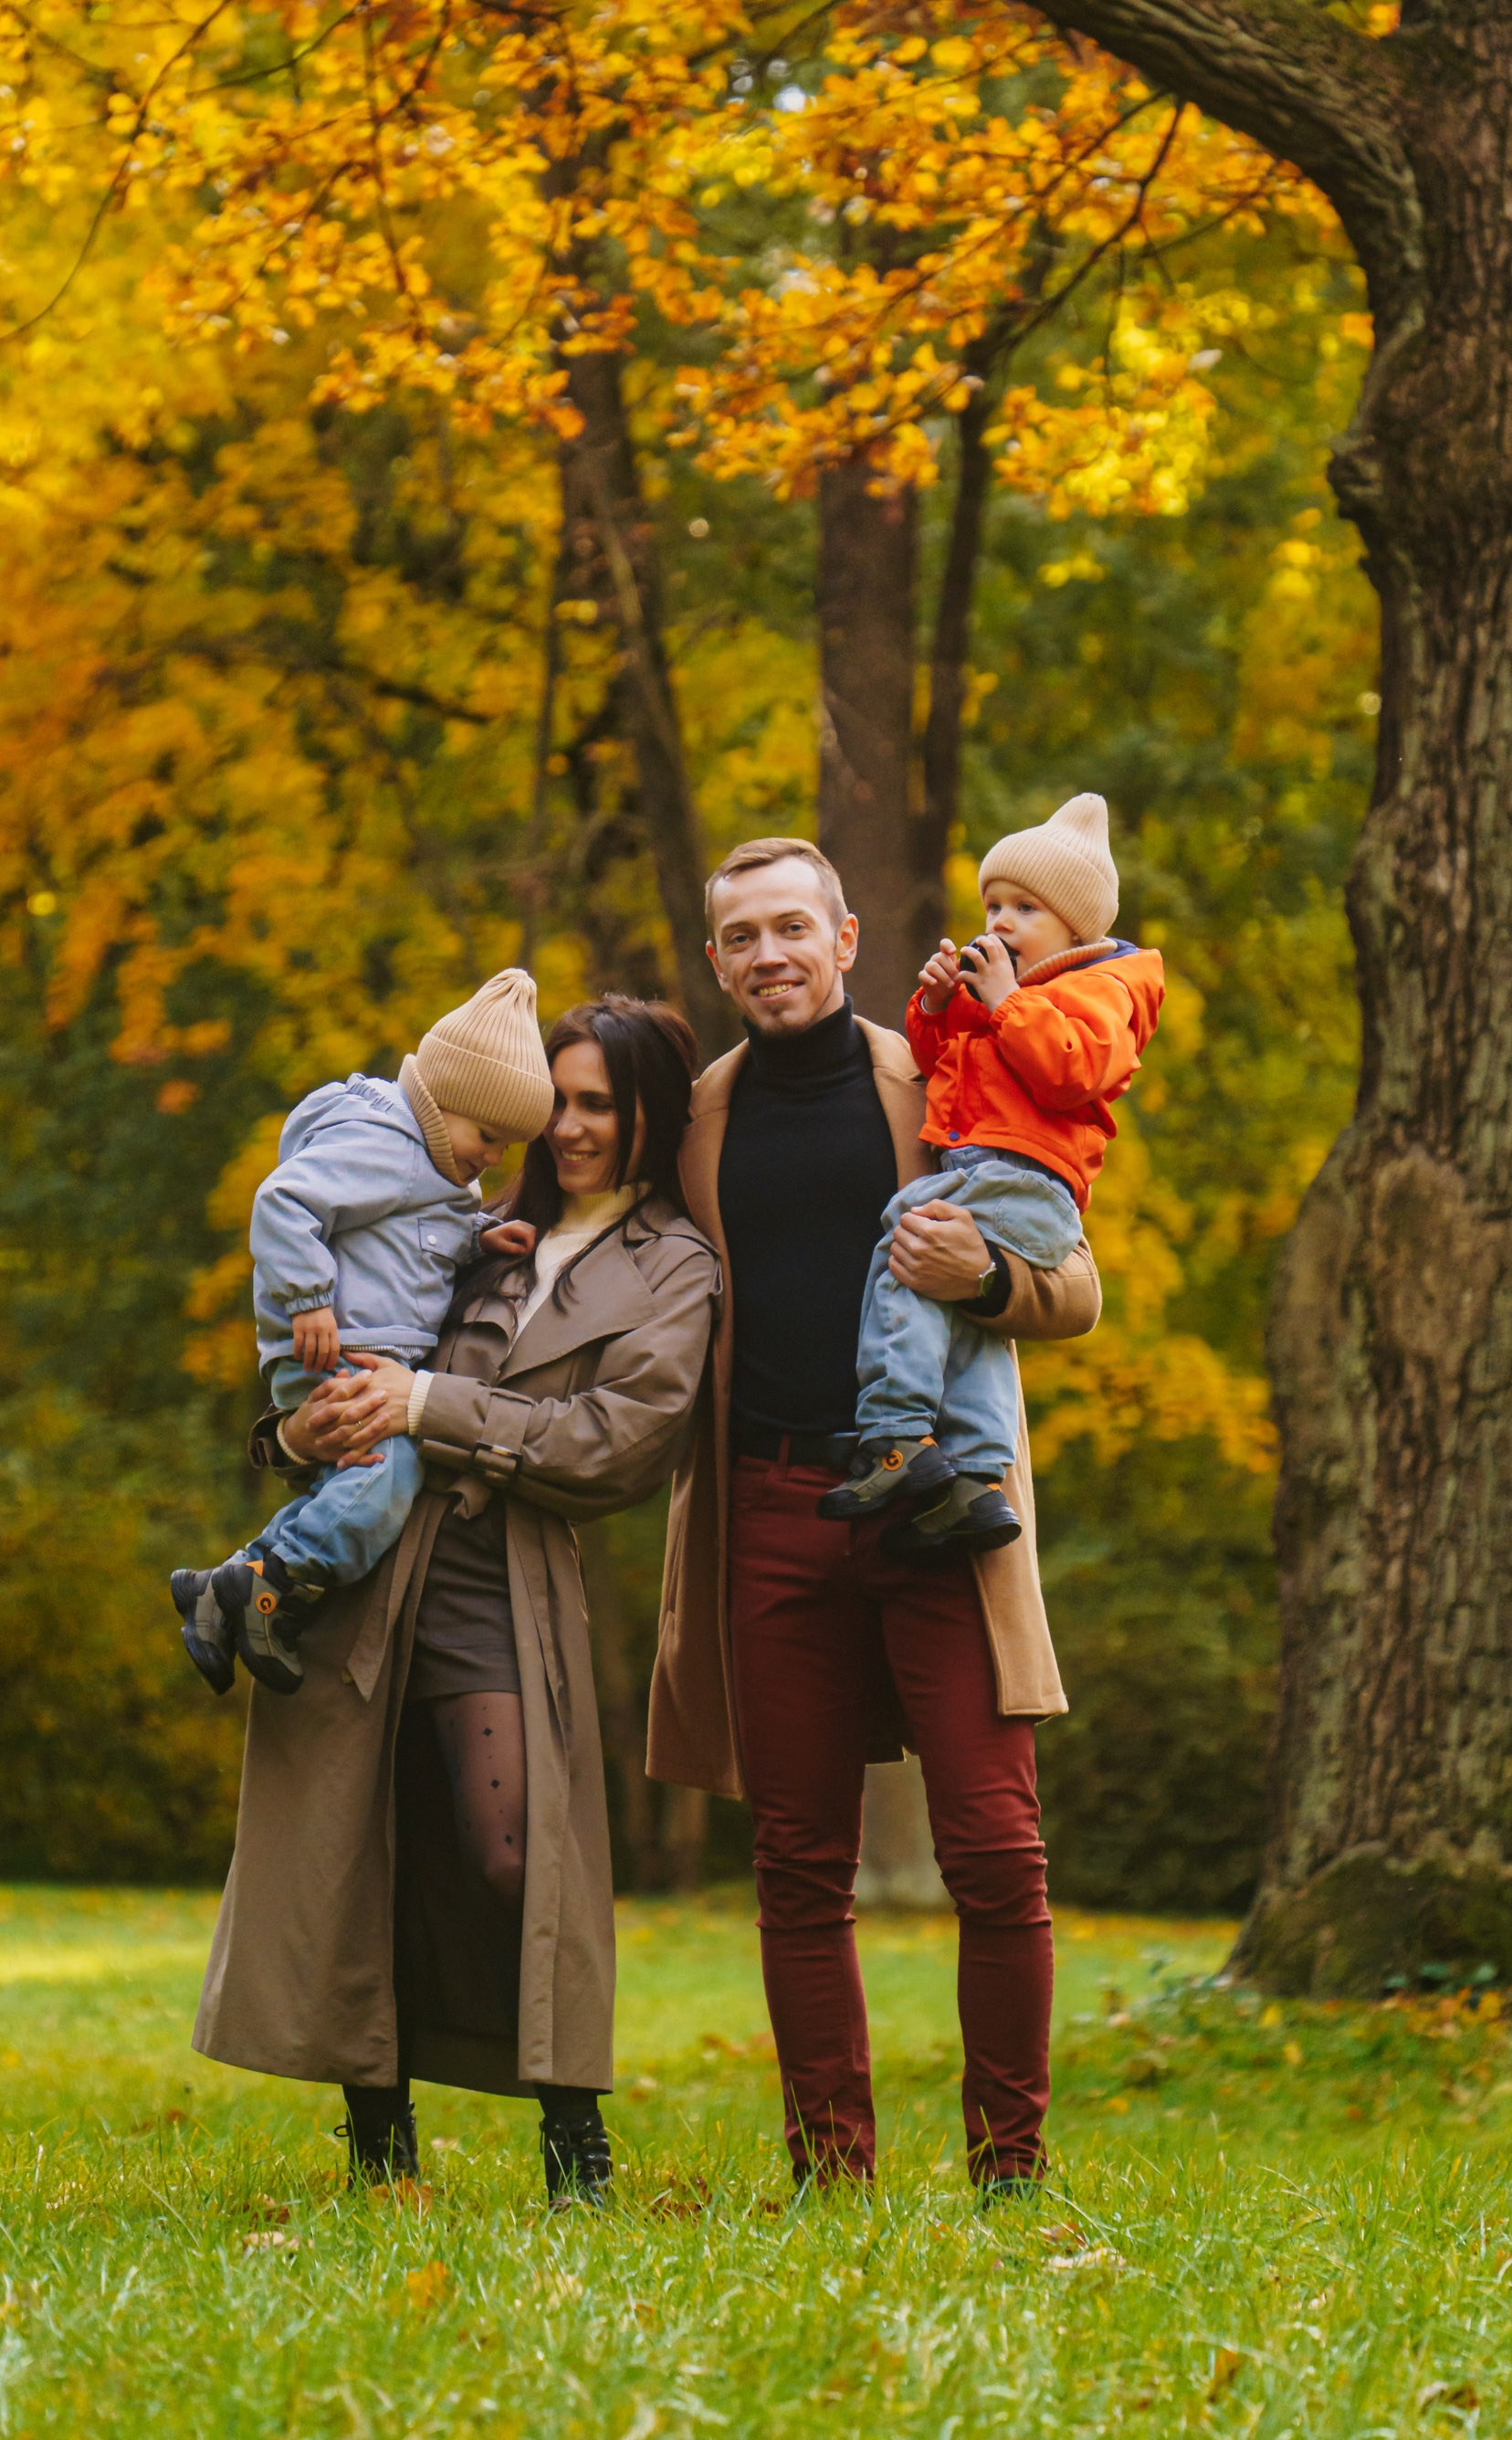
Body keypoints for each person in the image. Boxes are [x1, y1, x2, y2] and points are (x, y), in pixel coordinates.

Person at [190, 996, 719, 2208]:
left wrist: (430, 1404)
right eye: (563, 1103)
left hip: (499, 1572)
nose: (575, 1129)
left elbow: (616, 1447)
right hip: (367, 1557)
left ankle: (572, 2139)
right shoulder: (471, 1215)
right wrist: (291, 1426)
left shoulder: (676, 1270)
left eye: (601, 1105)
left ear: (650, 1116)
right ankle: (382, 2150)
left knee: (508, 1855)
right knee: (357, 1837)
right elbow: (339, 1346)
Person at [646, 834, 1101, 2200]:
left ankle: (1009, 2170)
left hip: (942, 1512)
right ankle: (832, 2176)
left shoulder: (950, 1071)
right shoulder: (698, 1122)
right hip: (772, 1506)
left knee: (996, 1851)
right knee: (797, 1864)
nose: (772, 954)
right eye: (744, 937)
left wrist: (982, 1276)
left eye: (797, 927)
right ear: (720, 961)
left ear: (847, 939)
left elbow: (1075, 1286)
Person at [171, 969, 551, 1696]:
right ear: (446, 1105)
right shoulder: (388, 1147)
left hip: (360, 1349)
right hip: (335, 1346)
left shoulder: (427, 1164)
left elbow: (408, 1235)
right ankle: (272, 1586)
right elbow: (284, 1201)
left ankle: (225, 1589)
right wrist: (309, 1299)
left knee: (355, 1483)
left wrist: (478, 1237)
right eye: (489, 1136)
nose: (493, 1157)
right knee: (386, 1477)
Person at [822, 794, 1163, 1554]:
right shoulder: (1016, 995)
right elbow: (942, 1061)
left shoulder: (1101, 991)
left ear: (1077, 926)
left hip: (1025, 1177)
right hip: (995, 1170)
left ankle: (896, 1432)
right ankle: (975, 1479)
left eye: (1024, 907)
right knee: (966, 1318)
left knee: (906, 1244)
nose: (1000, 921)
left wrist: (1005, 999)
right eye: (993, 904)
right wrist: (941, 1003)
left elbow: (1073, 1071)